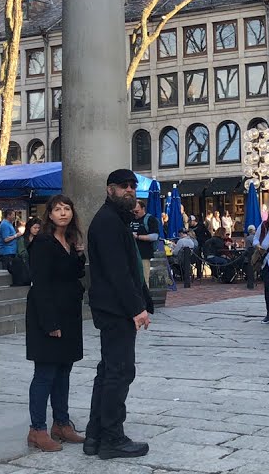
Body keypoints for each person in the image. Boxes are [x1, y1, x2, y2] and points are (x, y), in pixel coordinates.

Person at [84, 169, 152, 460]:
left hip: (113, 307)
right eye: (123, 186)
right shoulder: (108, 222)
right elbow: (118, 272)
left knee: (109, 370)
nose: (130, 190)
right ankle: (112, 437)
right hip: (115, 309)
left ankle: (95, 435)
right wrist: (136, 308)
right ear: (110, 189)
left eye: (133, 186)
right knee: (120, 371)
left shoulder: (115, 219)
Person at [25, 194, 88, 452]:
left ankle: (61, 423)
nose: (63, 213)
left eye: (67, 208)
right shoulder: (42, 242)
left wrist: (79, 254)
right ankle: (37, 429)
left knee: (64, 371)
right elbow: (40, 284)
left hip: (69, 314)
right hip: (47, 314)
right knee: (45, 373)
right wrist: (50, 322)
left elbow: (75, 273)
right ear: (49, 214)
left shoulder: (70, 240)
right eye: (58, 209)